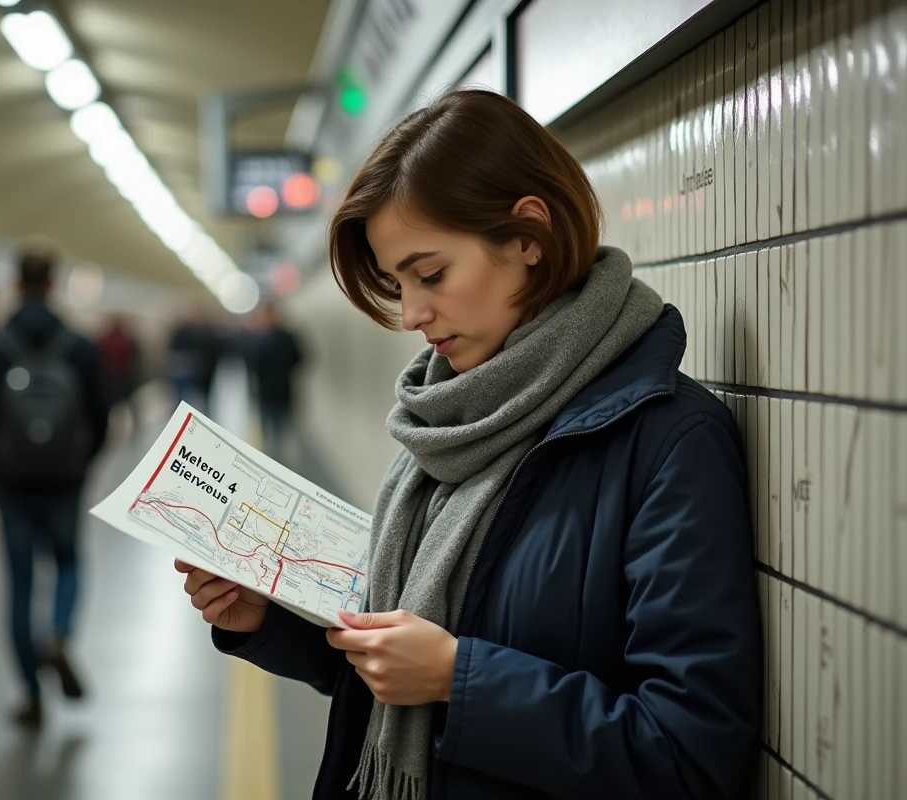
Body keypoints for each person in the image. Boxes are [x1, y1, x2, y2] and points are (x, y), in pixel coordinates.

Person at [175, 89, 761, 799]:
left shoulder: (668, 443)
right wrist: (269, 621)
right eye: (398, 283)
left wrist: (461, 679)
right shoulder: (448, 423)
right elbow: (393, 673)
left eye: (431, 274)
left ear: (528, 234)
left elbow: (691, 755)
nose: (412, 314)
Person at [0, 238, 111, 729]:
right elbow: (103, 416)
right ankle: (59, 634)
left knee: (20, 585)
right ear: (55, 283)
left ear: (16, 283)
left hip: (11, 484)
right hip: (64, 480)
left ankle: (30, 695)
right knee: (68, 563)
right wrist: (81, 463)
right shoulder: (80, 347)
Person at [243, 301, 304, 463]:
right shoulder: (285, 337)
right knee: (274, 429)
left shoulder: (261, 338)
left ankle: (273, 460)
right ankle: (275, 459)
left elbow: (251, 362)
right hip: (273, 391)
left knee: (275, 429)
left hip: (274, 391)